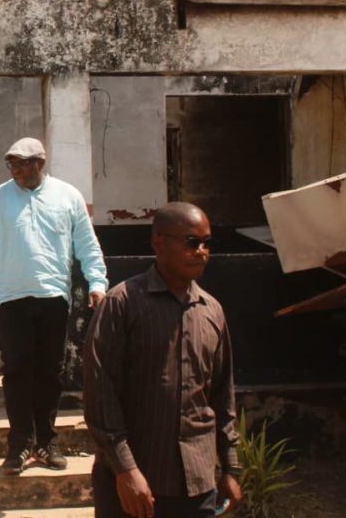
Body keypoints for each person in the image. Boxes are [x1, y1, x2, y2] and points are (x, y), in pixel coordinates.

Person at [83, 202, 243, 518]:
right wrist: (125, 468)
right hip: (132, 485)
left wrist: (231, 467)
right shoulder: (122, 303)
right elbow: (100, 393)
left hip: (196, 486)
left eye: (206, 243)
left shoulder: (212, 311)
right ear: (158, 242)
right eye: (191, 241)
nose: (201, 251)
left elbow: (222, 397)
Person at [0, 137, 108, 475]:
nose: (15, 170)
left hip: (53, 296)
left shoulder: (67, 196)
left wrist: (97, 283)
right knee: (17, 371)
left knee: (50, 371)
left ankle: (47, 442)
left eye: (21, 163)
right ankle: (19, 444)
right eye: (11, 163)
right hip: (9, 299)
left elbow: (87, 245)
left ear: (39, 164)